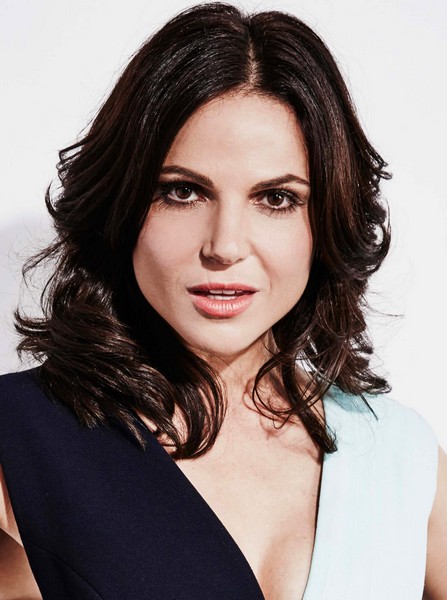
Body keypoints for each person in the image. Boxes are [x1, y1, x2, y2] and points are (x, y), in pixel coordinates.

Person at [0, 2, 445, 598]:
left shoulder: (399, 455)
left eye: (276, 199)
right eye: (183, 192)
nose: (225, 246)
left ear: (326, 220)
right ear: (122, 203)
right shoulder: (22, 437)